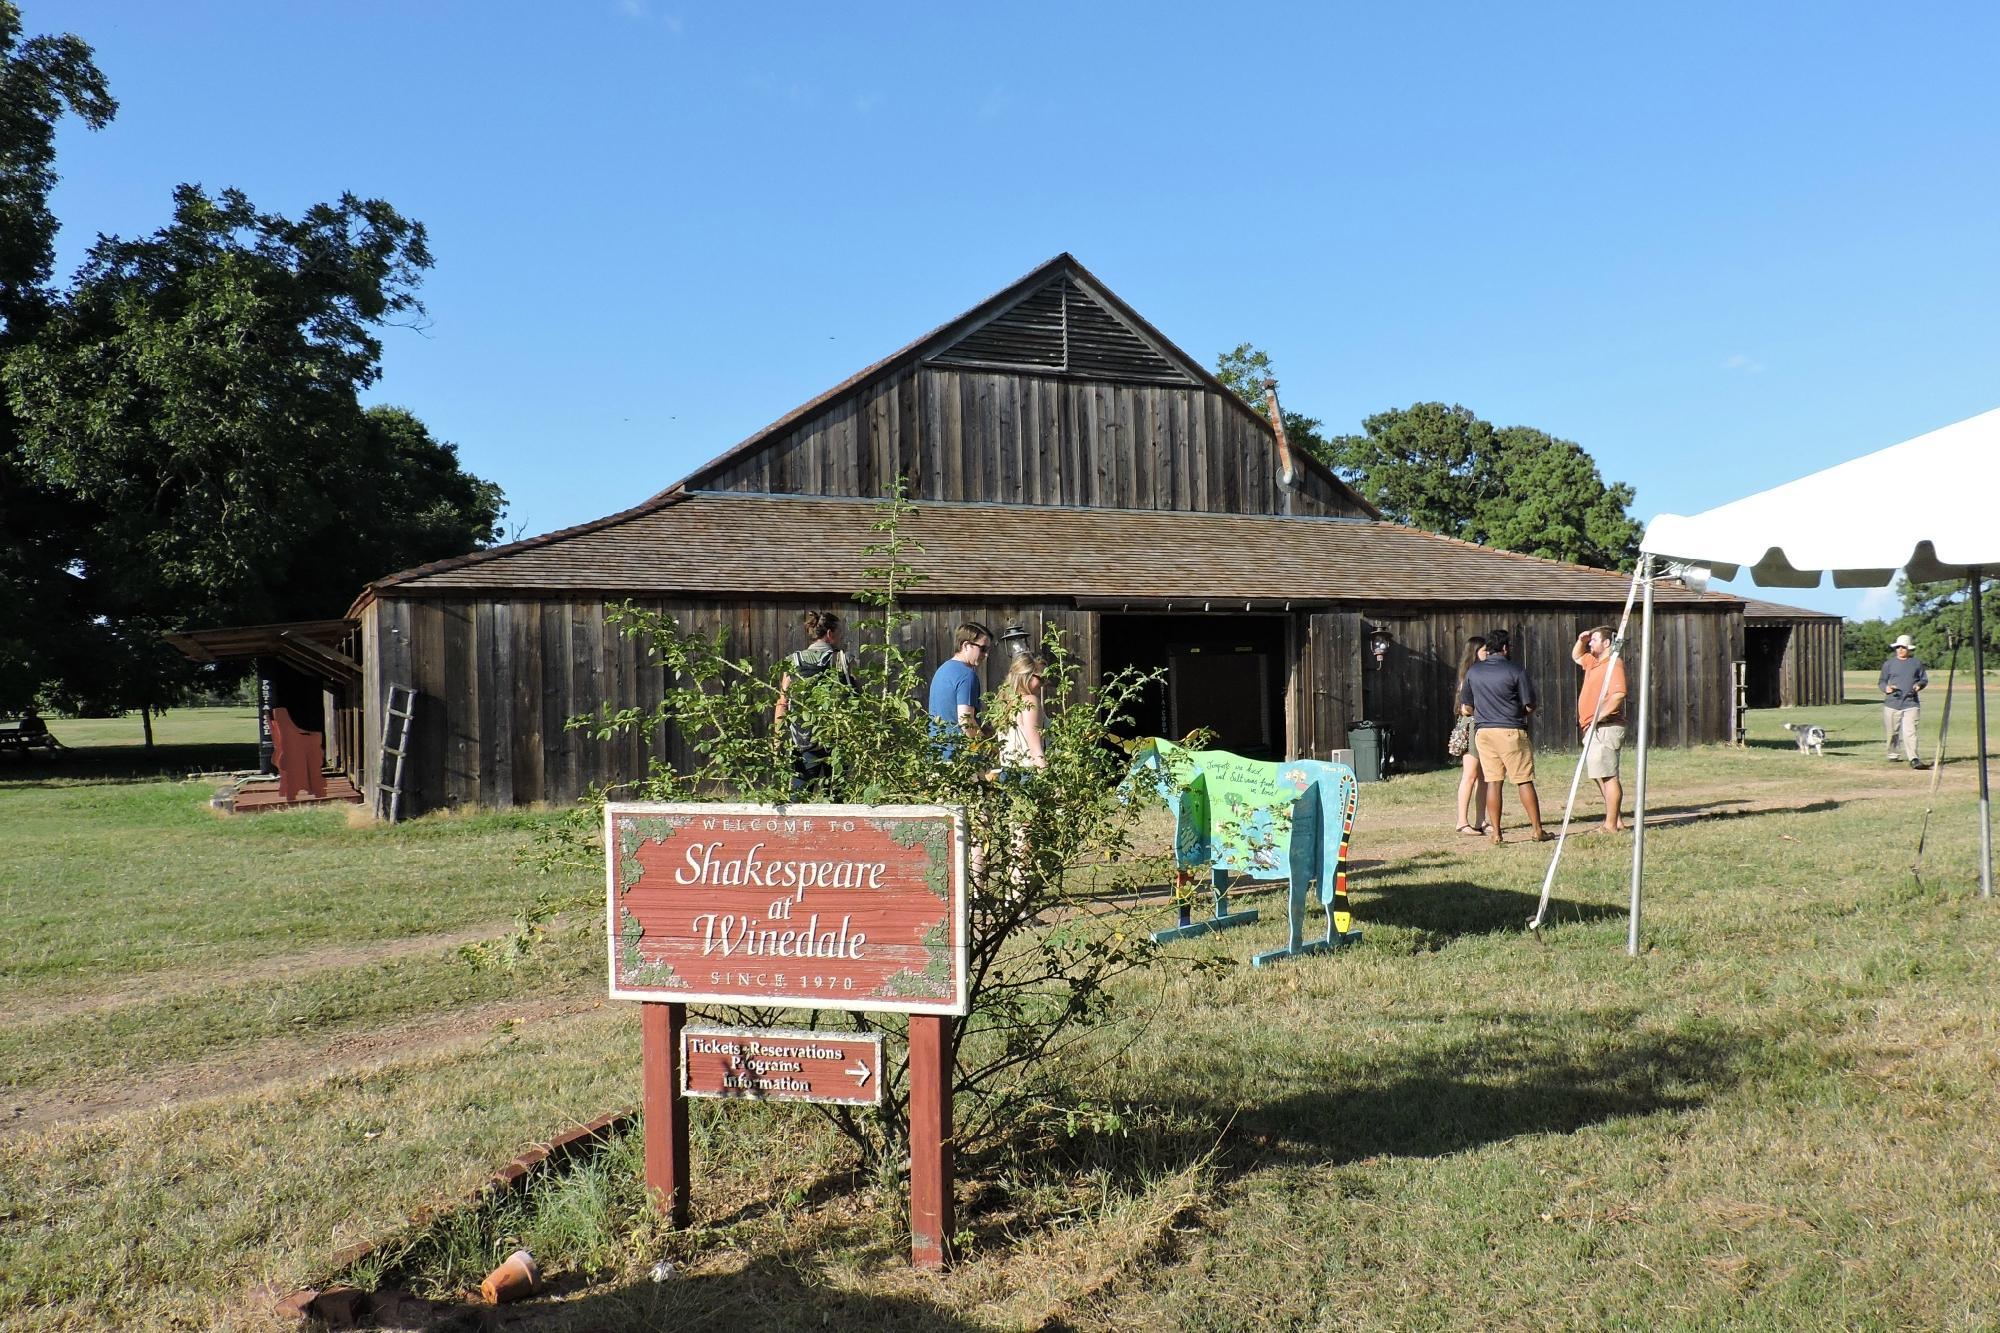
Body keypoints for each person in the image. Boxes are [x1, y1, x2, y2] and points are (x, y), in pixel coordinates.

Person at [1458, 627, 1546, 844]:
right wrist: (1518, 712)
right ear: (1505, 648)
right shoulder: (1515, 670)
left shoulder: (1473, 672)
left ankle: (1496, 833)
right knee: (1523, 780)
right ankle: (1537, 830)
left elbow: (1466, 707)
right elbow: (1530, 704)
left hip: (1484, 732)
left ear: (1488, 648)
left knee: (1493, 782)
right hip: (1510, 730)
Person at [774, 610, 856, 793]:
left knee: (799, 798)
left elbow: (783, 702)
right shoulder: (843, 660)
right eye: (839, 633)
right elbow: (856, 699)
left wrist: (777, 740)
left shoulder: (793, 661)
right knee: (837, 797)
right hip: (836, 740)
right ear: (830, 634)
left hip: (803, 741)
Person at [1571, 624, 1628, 833]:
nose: (1590, 643)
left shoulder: (1614, 663)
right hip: (1592, 728)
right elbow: (1576, 656)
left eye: (1594, 640)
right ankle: (1616, 819)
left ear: (1606, 643)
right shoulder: (1593, 662)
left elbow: (1619, 694)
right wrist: (1582, 640)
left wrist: (1599, 716)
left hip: (1605, 727)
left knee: (1608, 775)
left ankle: (1610, 825)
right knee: (1598, 773)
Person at [927, 621, 993, 757]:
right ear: (966, 645)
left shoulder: (942, 670)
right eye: (983, 649)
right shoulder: (967, 675)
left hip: (936, 755)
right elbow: (966, 721)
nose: (986, 655)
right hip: (959, 760)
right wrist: (987, 747)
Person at [1451, 637, 1489, 835]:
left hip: (1482, 725)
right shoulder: (1468, 677)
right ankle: (1462, 821)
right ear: (1474, 653)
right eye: (1484, 651)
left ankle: (1481, 820)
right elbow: (1465, 708)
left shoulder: (1480, 674)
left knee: (1484, 777)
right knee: (1470, 775)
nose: (1487, 654)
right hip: (1472, 725)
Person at [1879, 633, 1929, 769]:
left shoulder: (1916, 663)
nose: (1900, 650)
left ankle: (1914, 758)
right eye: (1898, 647)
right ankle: (1893, 754)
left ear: (1909, 649)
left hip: (1911, 703)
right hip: (1892, 703)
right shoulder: (1889, 664)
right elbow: (1882, 681)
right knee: (1892, 732)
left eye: (1903, 647)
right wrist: (1887, 689)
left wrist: (1919, 685)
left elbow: (1923, 679)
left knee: (1910, 732)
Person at [996, 651, 1050, 774]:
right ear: (1026, 675)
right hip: (1028, 773)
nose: (1043, 684)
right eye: (1041, 678)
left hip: (1007, 772)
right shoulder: (1030, 702)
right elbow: (1036, 749)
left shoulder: (1005, 703)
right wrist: (1050, 782)